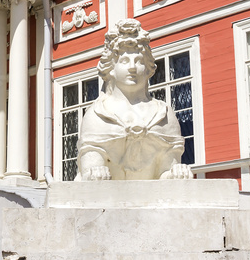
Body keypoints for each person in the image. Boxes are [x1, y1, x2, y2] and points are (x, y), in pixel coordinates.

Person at [77, 19, 193, 181]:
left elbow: (166, 173)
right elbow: (89, 169)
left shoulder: (164, 115)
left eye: (139, 61)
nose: (132, 67)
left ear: (148, 68)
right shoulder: (96, 115)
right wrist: (95, 171)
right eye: (124, 61)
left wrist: (175, 173)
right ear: (111, 69)